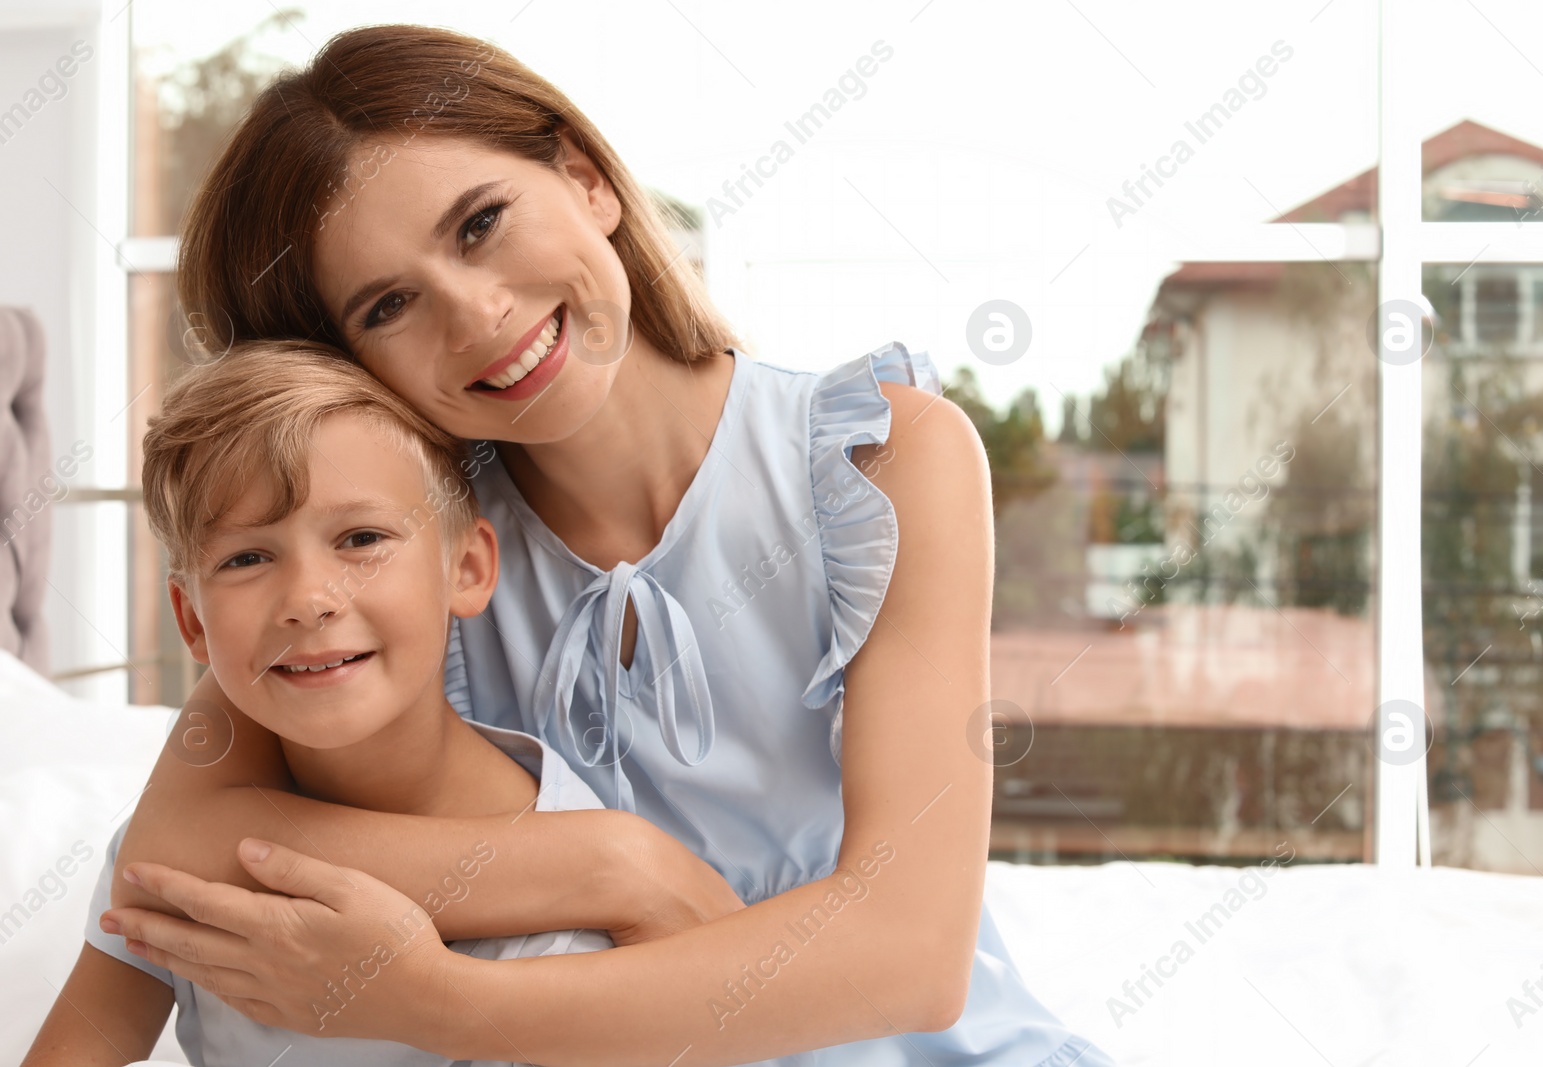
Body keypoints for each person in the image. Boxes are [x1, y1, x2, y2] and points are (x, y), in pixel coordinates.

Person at [97, 23, 1116, 1067]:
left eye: (481, 223)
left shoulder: (877, 461)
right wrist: (610, 864)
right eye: (389, 304)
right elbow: (171, 842)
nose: (478, 313)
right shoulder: (404, 548)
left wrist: (434, 998)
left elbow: (910, 956)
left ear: (585, 179)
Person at [23, 343, 624, 1067]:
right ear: (192, 622)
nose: (309, 600)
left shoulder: (571, 925)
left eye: (362, 538)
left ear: (466, 568)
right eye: (246, 557)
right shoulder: (175, 847)